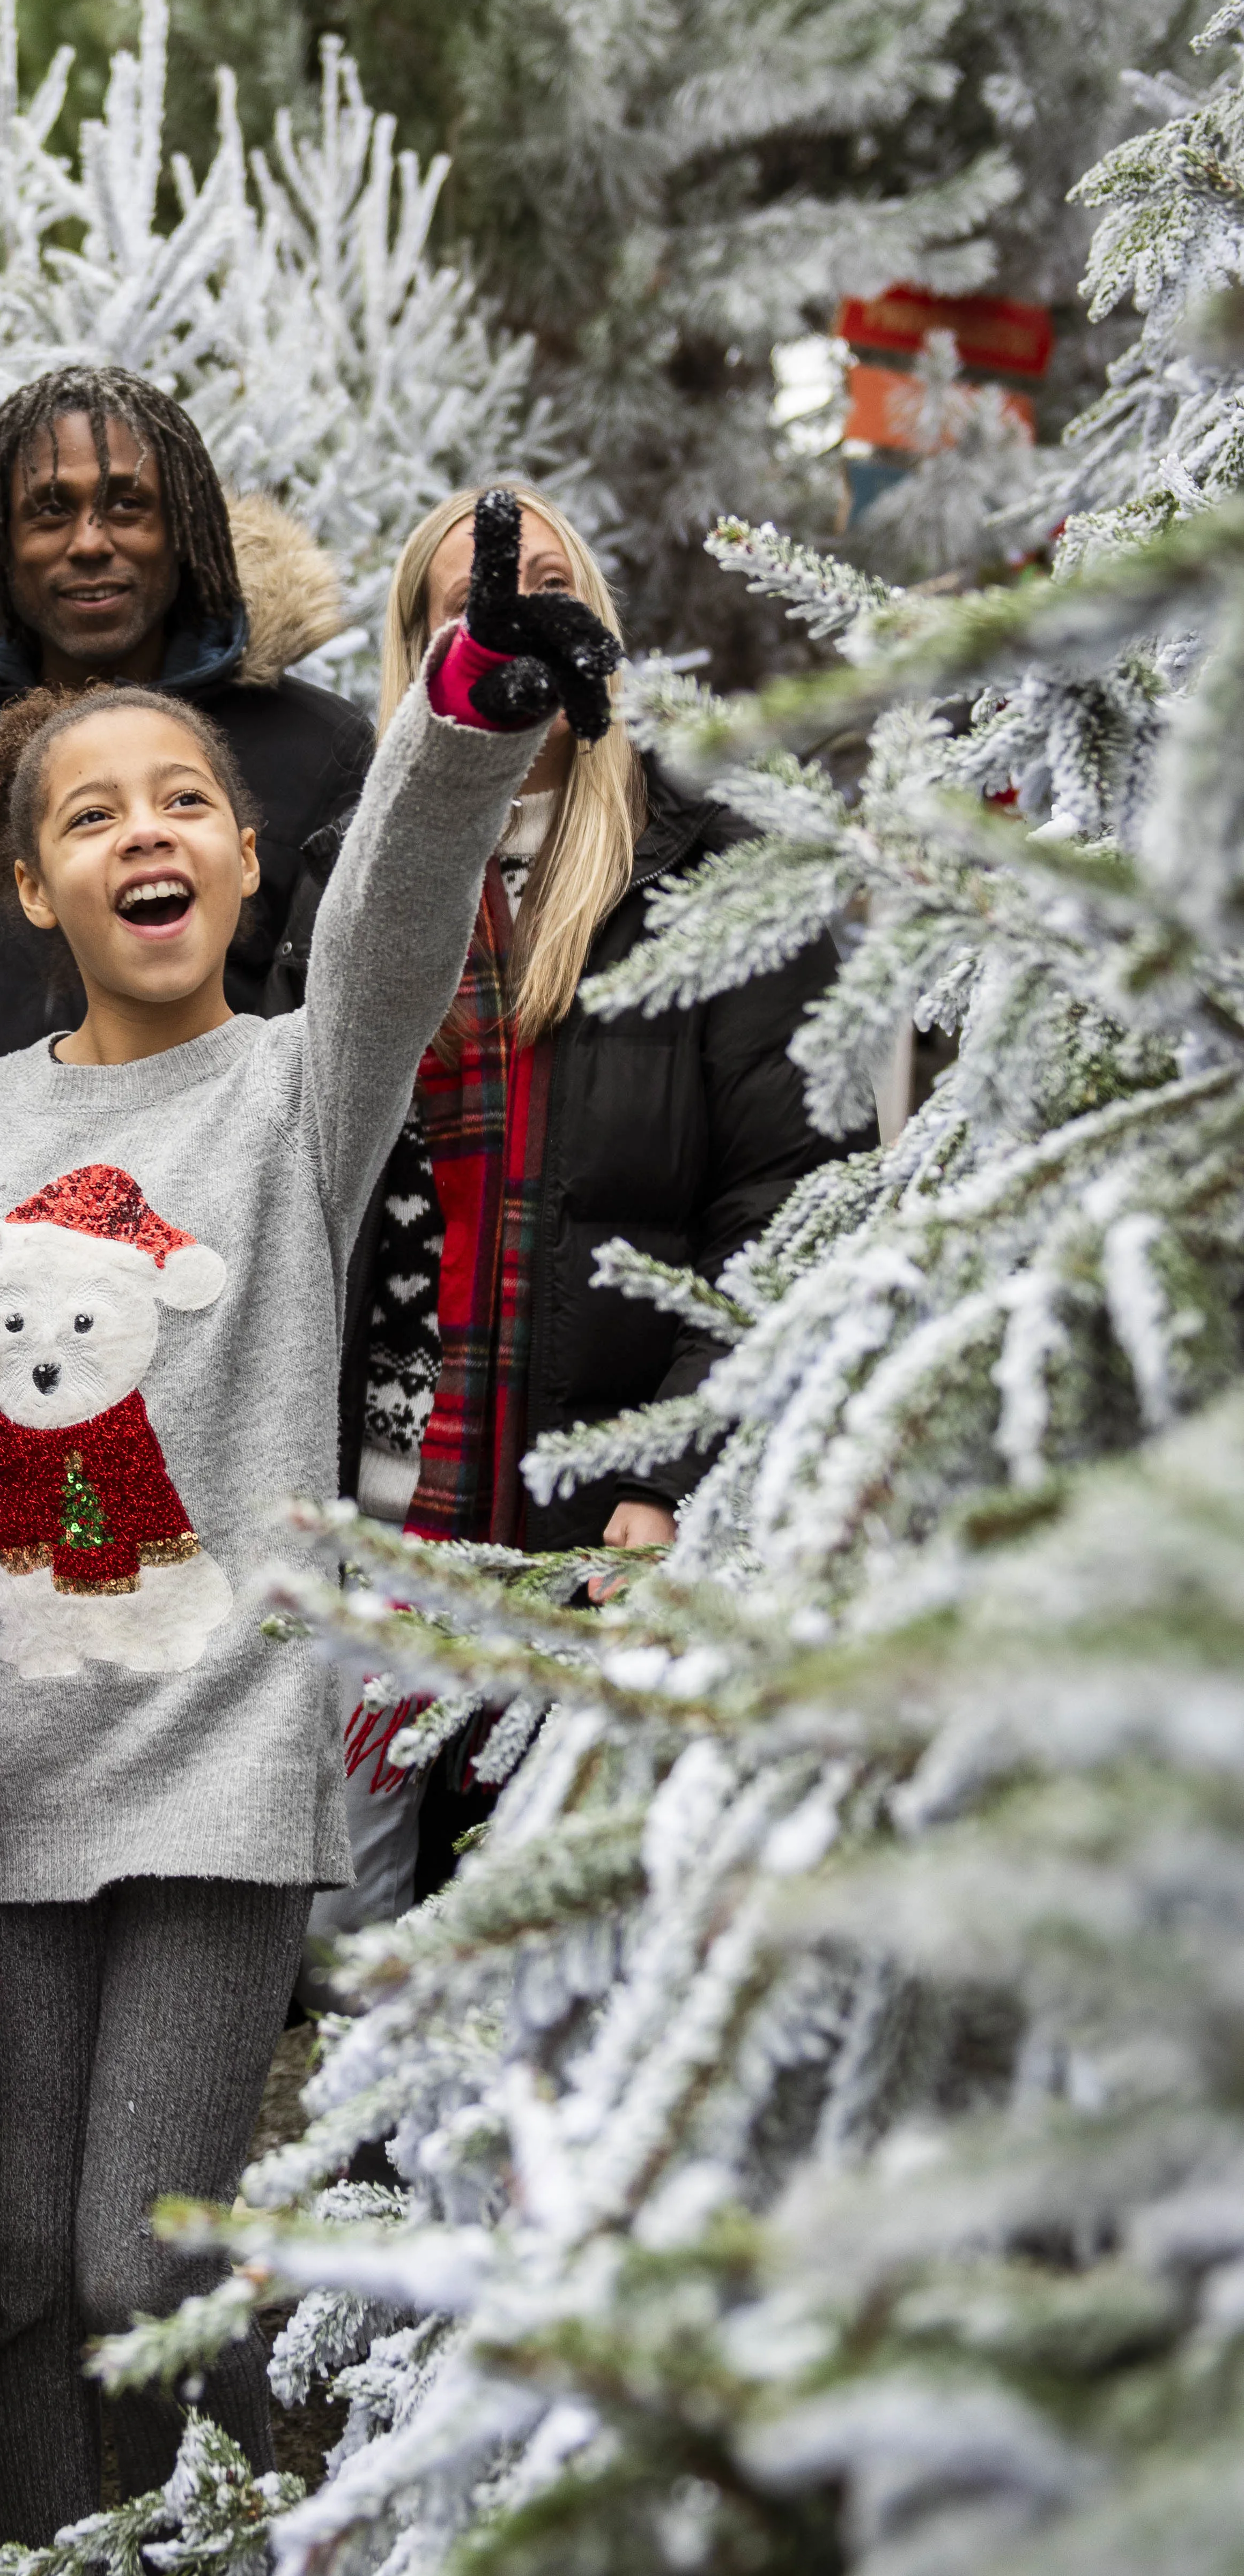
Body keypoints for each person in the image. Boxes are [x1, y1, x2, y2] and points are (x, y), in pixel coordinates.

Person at [0, 490, 606, 2576]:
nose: (148, 832)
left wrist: (467, 715)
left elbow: (400, 912)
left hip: (221, 1763)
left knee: (150, 2257)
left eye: (186, 803)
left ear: (237, 871)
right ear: (33, 884)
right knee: (34, 2270)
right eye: (94, 814)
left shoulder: (291, 1093)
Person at [316, 483, 859, 1925]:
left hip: (592, 1515)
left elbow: (792, 1196)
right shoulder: (352, 877)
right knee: (345, 1944)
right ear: (424, 654)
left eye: (548, 582)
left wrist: (678, 1472)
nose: (512, 607)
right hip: (371, 1504)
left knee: (543, 1934)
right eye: (466, 600)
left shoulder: (712, 874)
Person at [0, 361, 373, 1262]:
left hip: (219, 1262)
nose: (89, 541)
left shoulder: (314, 748)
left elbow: (354, 1049)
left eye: (126, 506)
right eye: (50, 510)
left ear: (184, 528)